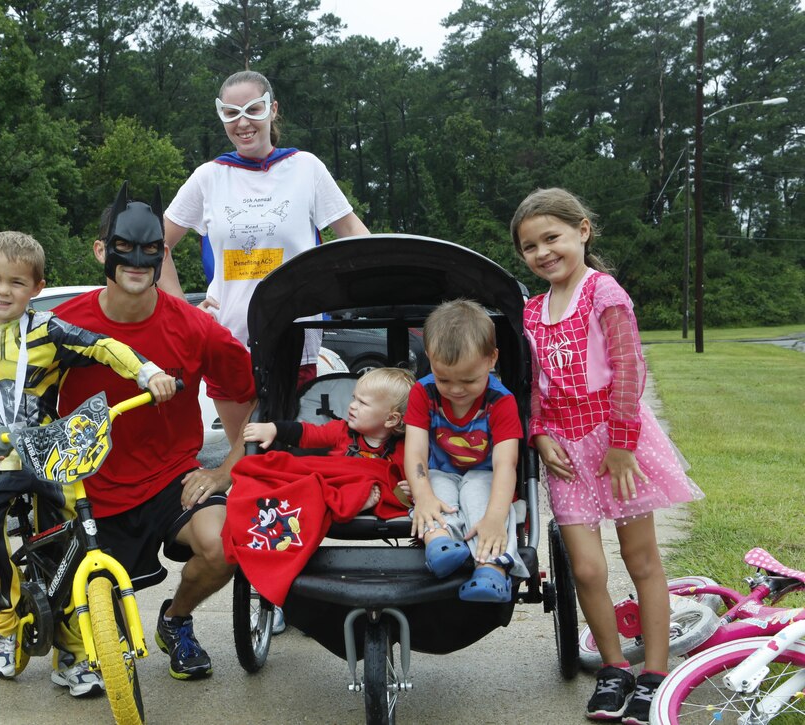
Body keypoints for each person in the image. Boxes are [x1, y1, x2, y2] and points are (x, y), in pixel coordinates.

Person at [0, 188, 256, 682]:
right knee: (94, 645)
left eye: (151, 250)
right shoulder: (61, 326)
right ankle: (18, 626)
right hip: (83, 487)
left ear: (163, 255)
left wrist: (227, 469)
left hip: (170, 478)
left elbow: (251, 402)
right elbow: (8, 402)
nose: (137, 261)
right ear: (102, 251)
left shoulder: (198, 329)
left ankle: (176, 622)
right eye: (124, 247)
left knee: (223, 545)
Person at [0, 231, 177, 693]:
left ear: (37, 288)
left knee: (70, 543)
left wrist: (150, 373)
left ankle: (74, 650)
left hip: (49, 454)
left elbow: (104, 346)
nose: (3, 291)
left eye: (17, 283)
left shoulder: (50, 330)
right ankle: (1, 628)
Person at [511, 188, 704, 724]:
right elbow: (535, 385)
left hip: (618, 447)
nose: (543, 252)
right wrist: (538, 432)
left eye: (552, 238)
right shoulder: (531, 311)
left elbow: (627, 370)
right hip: (566, 452)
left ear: (582, 232)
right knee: (589, 571)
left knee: (641, 561)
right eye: (530, 247)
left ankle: (655, 674)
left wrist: (622, 445)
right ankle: (615, 667)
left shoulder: (604, 293)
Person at [159, 69, 370, 450]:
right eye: (231, 113)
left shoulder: (305, 168)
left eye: (253, 109)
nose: (243, 122)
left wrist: (368, 284)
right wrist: (181, 310)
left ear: (273, 110)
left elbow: (355, 236)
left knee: (289, 453)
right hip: (227, 339)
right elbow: (155, 245)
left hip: (296, 337)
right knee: (243, 458)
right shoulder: (209, 176)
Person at [403, 299, 531, 605]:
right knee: (436, 494)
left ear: (491, 360)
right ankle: (440, 544)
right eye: (444, 378)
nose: (456, 390)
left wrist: (495, 517)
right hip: (441, 470)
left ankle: (492, 568)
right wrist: (422, 496)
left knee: (480, 498)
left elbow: (505, 464)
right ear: (430, 358)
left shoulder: (500, 401)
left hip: (486, 474)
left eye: (469, 380)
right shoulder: (423, 391)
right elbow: (416, 452)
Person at [243, 367, 415, 509]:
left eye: (362, 403)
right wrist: (274, 429)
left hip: (368, 490)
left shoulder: (405, 450)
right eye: (354, 398)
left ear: (391, 419)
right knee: (294, 471)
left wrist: (412, 487)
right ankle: (353, 501)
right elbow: (307, 434)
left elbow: (405, 480)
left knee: (376, 482)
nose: (352, 406)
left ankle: (356, 500)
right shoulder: (342, 431)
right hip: (334, 487)